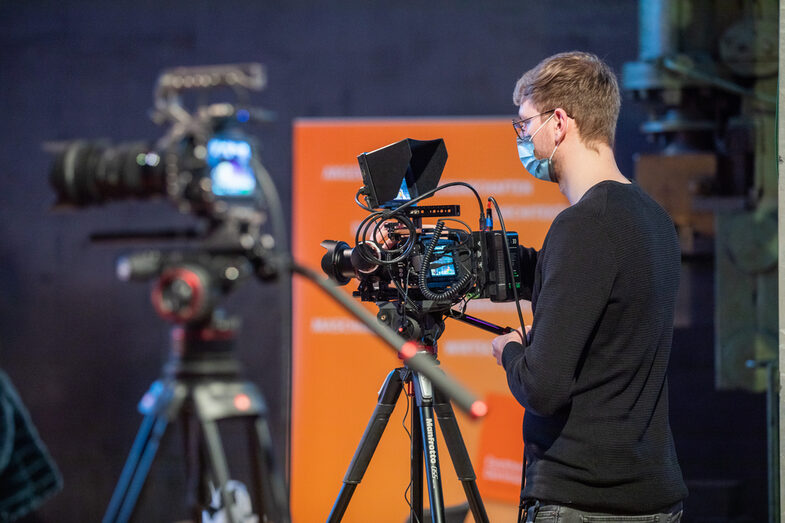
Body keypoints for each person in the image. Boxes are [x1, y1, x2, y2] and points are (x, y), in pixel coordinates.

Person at [490, 51, 688, 522]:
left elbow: (542, 388)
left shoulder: (582, 225)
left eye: (525, 124)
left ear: (559, 122)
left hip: (582, 501)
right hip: (651, 497)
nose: (522, 137)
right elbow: (593, 299)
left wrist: (510, 352)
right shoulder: (653, 221)